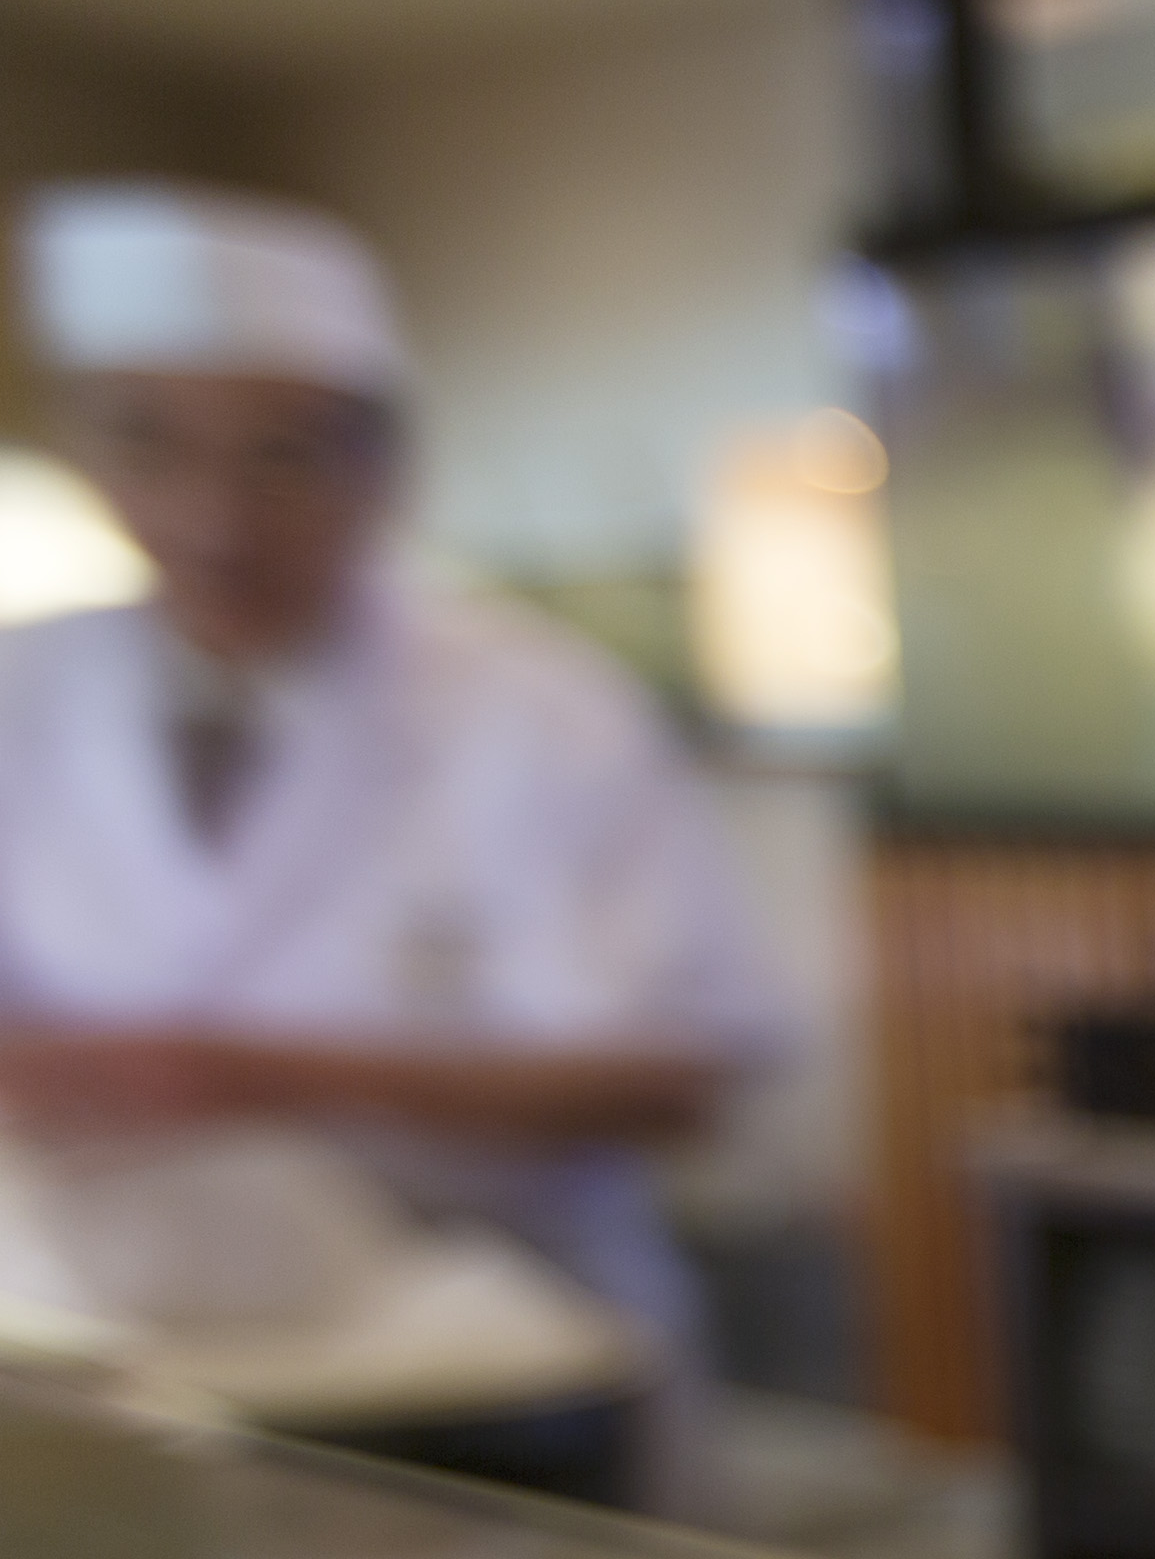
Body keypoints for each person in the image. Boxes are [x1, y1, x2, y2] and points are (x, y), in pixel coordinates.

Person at [0, 180, 787, 1451]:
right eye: (150, 444)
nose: (215, 521)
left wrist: (231, 1077)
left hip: (502, 1385)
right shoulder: (22, 692)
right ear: (81, 451)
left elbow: (679, 1077)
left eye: (283, 454)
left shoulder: (539, 707)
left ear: (382, 468)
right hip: (113, 1387)